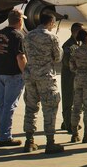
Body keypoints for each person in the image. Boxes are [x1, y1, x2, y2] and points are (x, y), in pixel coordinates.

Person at [22, 13, 64, 154]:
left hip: (30, 75)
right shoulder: (52, 37)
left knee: (31, 108)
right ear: (51, 22)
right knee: (50, 108)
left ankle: (29, 141)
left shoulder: (28, 36)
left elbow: (26, 54)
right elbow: (57, 58)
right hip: (45, 76)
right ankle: (50, 142)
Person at [0, 10, 26, 147]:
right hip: (13, 74)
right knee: (9, 106)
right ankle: (5, 136)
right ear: (19, 21)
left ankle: (3, 132)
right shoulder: (18, 36)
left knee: (2, 105)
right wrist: (26, 72)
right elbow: (20, 57)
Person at [60, 23, 84, 135]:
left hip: (75, 76)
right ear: (76, 31)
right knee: (68, 98)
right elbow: (67, 62)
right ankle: (68, 123)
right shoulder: (68, 45)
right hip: (69, 76)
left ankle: (68, 121)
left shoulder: (77, 44)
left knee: (75, 100)